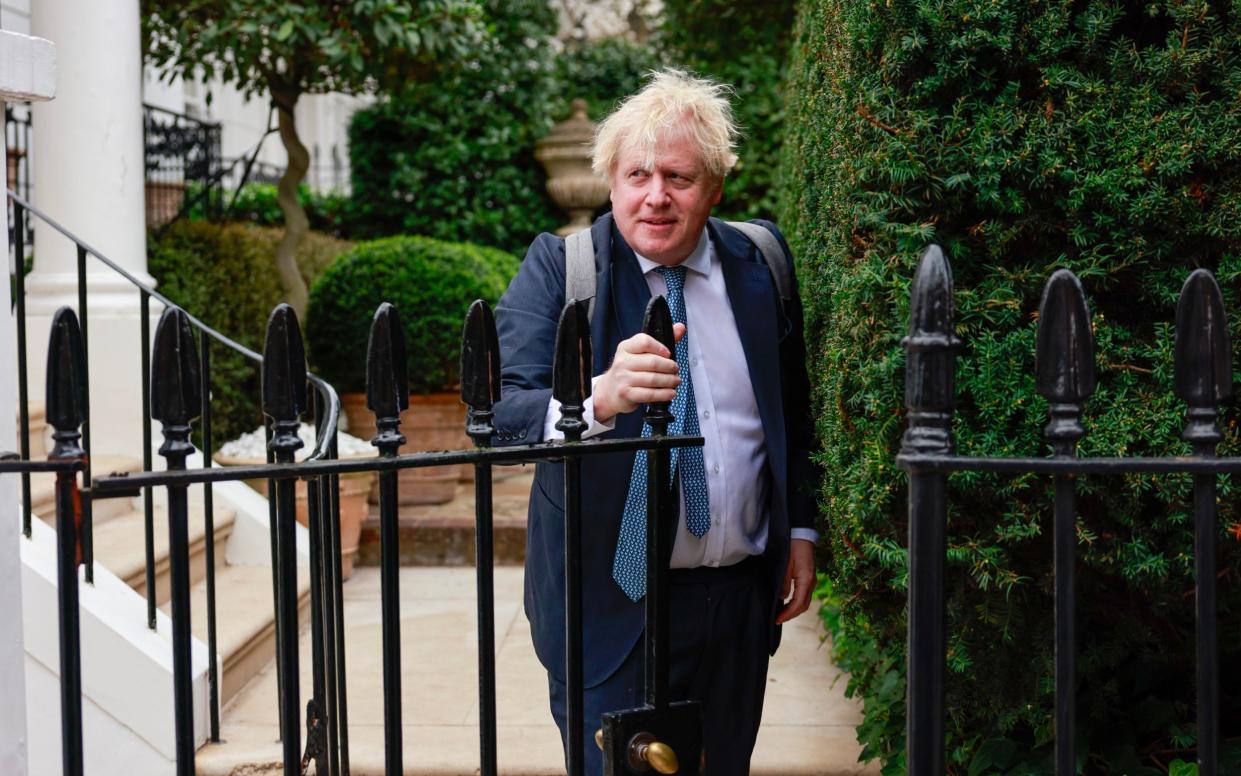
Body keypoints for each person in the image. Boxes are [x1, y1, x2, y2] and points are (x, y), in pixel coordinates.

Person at [493, 69, 817, 775]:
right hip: (607, 613)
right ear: (611, 180)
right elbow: (494, 415)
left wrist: (798, 529)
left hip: (736, 604)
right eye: (637, 173)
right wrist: (596, 397)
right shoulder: (562, 268)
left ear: (715, 187)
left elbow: (791, 412)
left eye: (678, 176)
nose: (656, 196)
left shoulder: (760, 263)